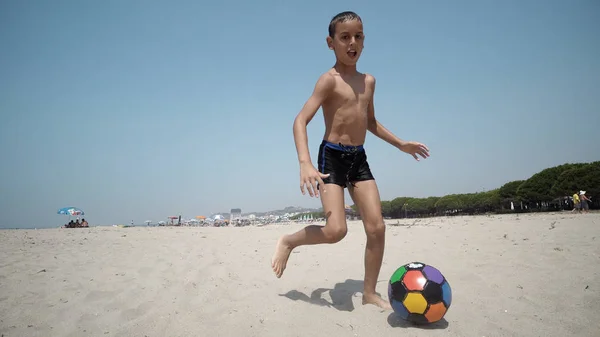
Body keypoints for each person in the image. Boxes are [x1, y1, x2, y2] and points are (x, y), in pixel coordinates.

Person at [271, 11, 430, 309]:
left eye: (358, 36)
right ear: (331, 43)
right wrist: (305, 163)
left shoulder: (368, 82)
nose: (352, 42)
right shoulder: (328, 81)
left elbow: (370, 122)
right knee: (336, 232)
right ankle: (289, 241)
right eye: (345, 37)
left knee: (377, 228)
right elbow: (300, 120)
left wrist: (400, 144)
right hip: (331, 156)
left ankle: (369, 293)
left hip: (359, 158)